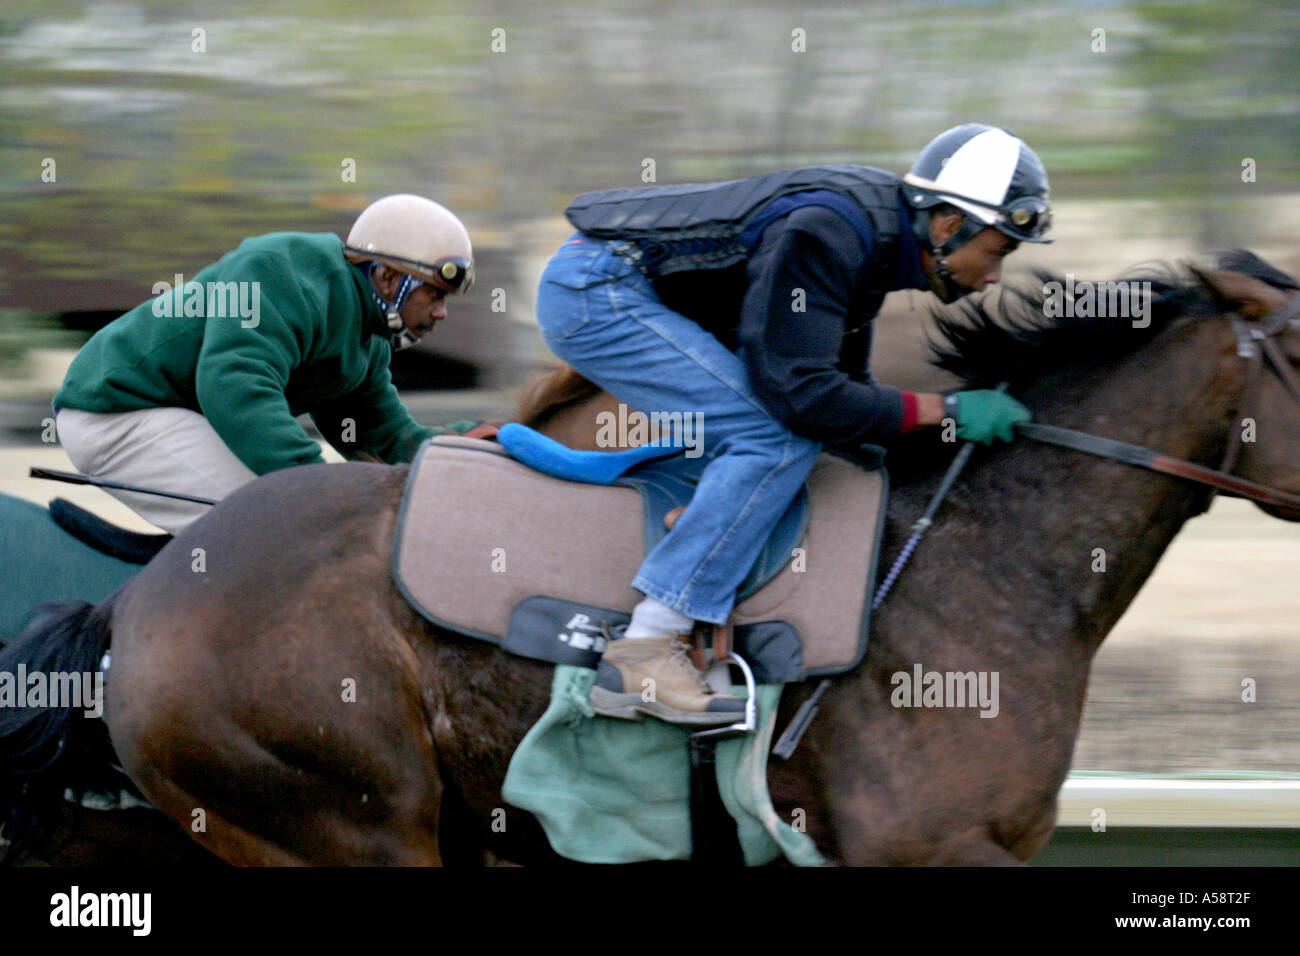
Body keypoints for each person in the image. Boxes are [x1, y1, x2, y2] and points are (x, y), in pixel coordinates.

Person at [535, 123, 1051, 725]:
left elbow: (843, 402)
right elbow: (801, 398)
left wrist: (919, 431)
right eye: (996, 252)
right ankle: (646, 648)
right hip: (597, 292)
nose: (993, 276)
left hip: (626, 286)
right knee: (772, 438)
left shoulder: (873, 244)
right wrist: (947, 411)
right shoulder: (830, 232)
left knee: (815, 442)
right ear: (946, 224)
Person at [53, 194, 477, 533]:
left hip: (180, 415)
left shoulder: (368, 339)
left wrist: (467, 444)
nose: (440, 313)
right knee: (287, 525)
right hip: (116, 412)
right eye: (435, 295)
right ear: (387, 279)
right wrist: (315, 484)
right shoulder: (281, 271)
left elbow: (384, 437)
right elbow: (234, 386)